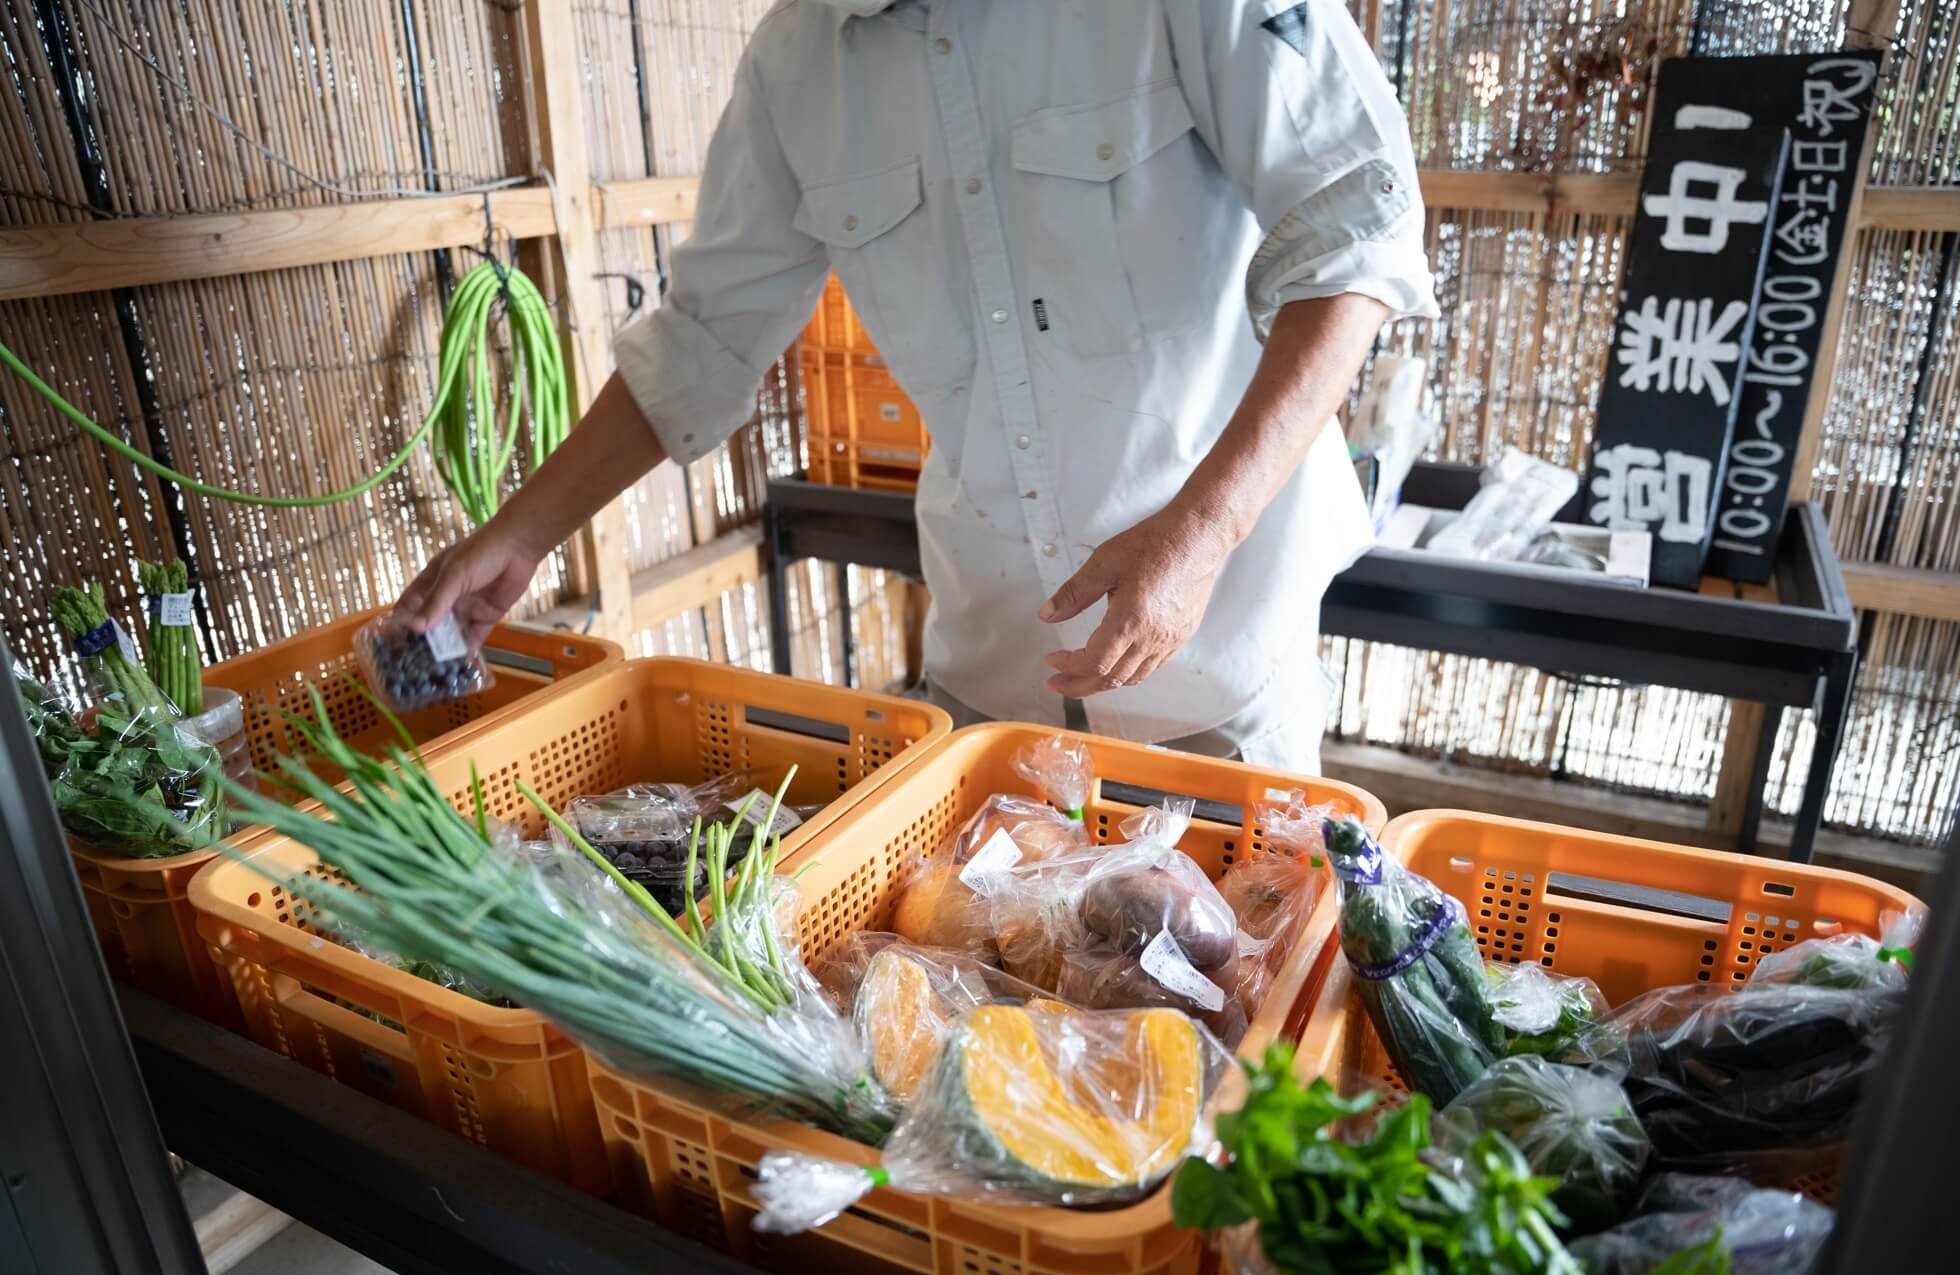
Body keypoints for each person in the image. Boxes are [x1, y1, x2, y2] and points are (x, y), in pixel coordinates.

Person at [399, 0, 1436, 774]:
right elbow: (705, 335)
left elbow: (1356, 237)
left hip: (1219, 674)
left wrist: (1201, 534)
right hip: (990, 673)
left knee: (1225, 1007)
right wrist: (522, 534)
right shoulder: (793, 67)